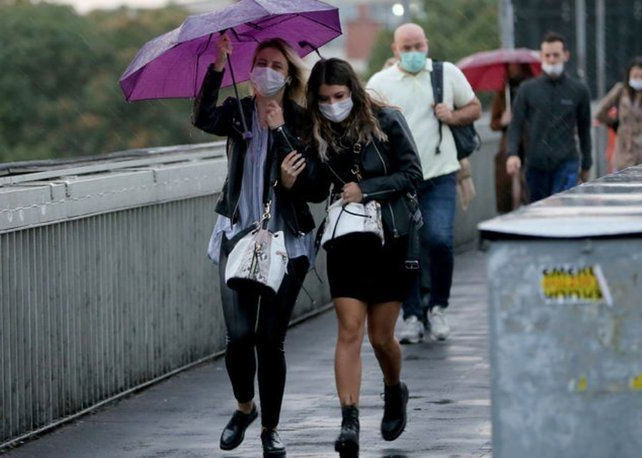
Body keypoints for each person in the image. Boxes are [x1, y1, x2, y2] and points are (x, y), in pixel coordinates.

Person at [192, 34, 318, 458]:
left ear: (288, 75)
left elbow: (314, 186)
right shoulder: (238, 113)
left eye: (277, 66)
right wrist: (217, 64)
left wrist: (280, 130)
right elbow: (202, 116)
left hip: (288, 240)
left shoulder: (302, 121)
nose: (268, 70)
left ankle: (271, 429)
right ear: (250, 71)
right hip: (237, 234)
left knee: (270, 339)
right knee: (239, 335)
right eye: (261, 62)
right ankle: (245, 406)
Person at [303, 57, 423, 456]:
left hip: (390, 237)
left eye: (339, 96)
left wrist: (367, 188)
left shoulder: (386, 120)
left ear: (352, 91)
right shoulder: (317, 131)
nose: (333, 105)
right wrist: (294, 178)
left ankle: (393, 391)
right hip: (347, 241)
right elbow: (318, 189)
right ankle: (349, 421)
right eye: (324, 99)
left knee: (381, 337)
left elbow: (412, 174)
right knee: (349, 330)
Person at [367, 23, 481, 344]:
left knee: (440, 240)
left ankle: (438, 307)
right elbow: (364, 123)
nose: (414, 53)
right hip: (402, 180)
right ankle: (413, 314)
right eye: (407, 48)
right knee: (405, 249)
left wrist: (453, 116)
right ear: (395, 50)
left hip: (441, 173)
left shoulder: (446, 74)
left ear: (427, 44)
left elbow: (475, 107)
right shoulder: (380, 83)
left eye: (418, 46)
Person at [506, 32, 592, 203]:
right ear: (541, 57)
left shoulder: (578, 90)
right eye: (547, 55)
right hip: (536, 162)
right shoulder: (527, 90)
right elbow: (516, 124)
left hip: (566, 161)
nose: (552, 60)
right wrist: (513, 154)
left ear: (566, 56)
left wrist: (587, 163)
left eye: (556, 55)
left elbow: (584, 129)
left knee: (562, 206)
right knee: (539, 210)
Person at [595, 59, 642, 171]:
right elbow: (600, 112)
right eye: (635, 76)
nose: (638, 80)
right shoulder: (620, 91)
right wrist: (614, 123)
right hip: (624, 150)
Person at [491, 62, 534, 212]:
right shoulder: (504, 93)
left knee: (529, 183)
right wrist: (503, 120)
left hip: (531, 142)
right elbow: (493, 123)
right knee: (510, 184)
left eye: (517, 67)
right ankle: (512, 210)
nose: (514, 70)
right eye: (511, 67)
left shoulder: (532, 90)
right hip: (509, 143)